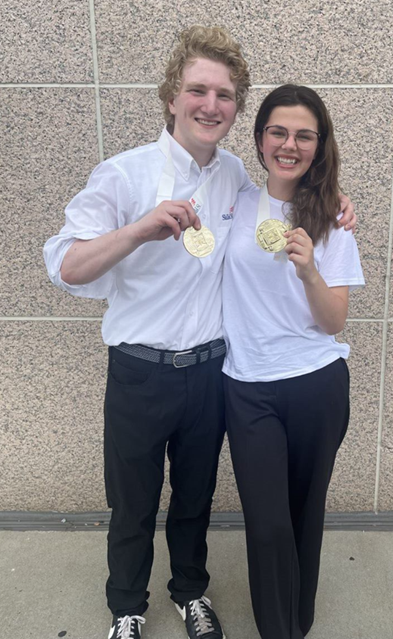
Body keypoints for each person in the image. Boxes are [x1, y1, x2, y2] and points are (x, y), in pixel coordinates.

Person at [43, 25, 356, 639]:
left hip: (212, 371)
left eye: (225, 95)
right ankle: (128, 609)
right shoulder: (123, 174)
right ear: (172, 96)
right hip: (139, 369)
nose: (210, 105)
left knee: (194, 498)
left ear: (237, 108)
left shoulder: (236, 175)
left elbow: (286, 191)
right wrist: (136, 230)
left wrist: (334, 195)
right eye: (198, 90)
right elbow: (66, 265)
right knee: (132, 503)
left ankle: (190, 594)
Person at [222, 84, 365, 639]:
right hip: (247, 385)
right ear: (259, 140)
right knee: (268, 525)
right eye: (278, 131)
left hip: (315, 384)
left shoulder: (330, 218)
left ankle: (294, 627)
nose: (290, 144)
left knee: (305, 516)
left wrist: (309, 269)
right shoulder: (233, 199)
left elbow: (334, 322)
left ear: (318, 145)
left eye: (304, 135)